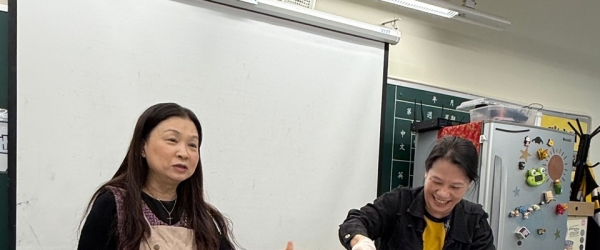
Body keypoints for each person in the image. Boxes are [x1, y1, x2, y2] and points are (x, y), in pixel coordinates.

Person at [78, 102, 294, 250]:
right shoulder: (115, 204)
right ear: (142, 147)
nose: (184, 152)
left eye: (192, 145)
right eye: (172, 140)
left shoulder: (200, 216)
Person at [338, 136, 494, 250]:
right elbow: (355, 221)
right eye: (437, 181)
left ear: (469, 184)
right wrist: (361, 242)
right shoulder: (400, 202)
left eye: (455, 187)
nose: (443, 193)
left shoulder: (475, 221)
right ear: (426, 172)